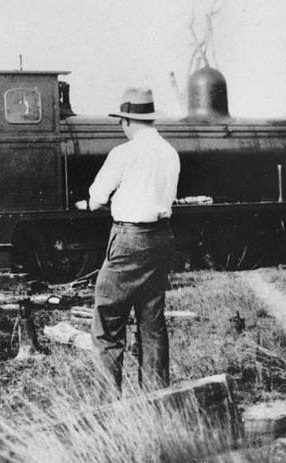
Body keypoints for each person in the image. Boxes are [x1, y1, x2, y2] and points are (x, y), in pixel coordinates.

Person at [75, 87, 180, 394]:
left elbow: (96, 199)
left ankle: (108, 405)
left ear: (127, 121)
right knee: (152, 322)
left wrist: (93, 203)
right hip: (161, 238)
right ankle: (157, 398)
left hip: (128, 240)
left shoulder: (123, 153)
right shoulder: (170, 153)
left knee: (107, 324)